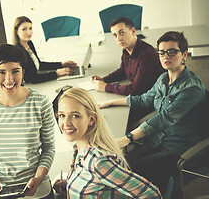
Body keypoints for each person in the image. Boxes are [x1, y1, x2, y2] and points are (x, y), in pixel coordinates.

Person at [99, 31, 206, 192]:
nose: (165, 56)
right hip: (158, 140)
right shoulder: (163, 78)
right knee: (121, 162)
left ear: (184, 54)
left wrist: (128, 138)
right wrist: (110, 102)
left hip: (178, 150)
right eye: (162, 52)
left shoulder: (192, 88)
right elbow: (144, 99)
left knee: (126, 171)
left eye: (171, 51)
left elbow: (163, 119)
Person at [0, 44, 56, 199]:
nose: (9, 79)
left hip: (36, 186)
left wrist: (38, 179)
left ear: (23, 71)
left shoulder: (41, 102)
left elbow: (49, 148)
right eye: (1, 72)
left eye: (15, 71)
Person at [53, 88, 162, 198]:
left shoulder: (98, 162)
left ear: (91, 119)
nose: (66, 123)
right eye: (62, 115)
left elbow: (152, 194)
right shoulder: (78, 148)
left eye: (75, 115)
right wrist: (71, 185)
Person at [90, 17, 165, 96]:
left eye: (122, 33)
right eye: (115, 35)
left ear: (133, 31)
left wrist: (106, 87)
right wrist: (104, 80)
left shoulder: (147, 55)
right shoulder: (126, 49)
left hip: (153, 98)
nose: (119, 38)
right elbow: (123, 71)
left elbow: (135, 90)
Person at [12, 16, 77, 83]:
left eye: (30, 28)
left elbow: (39, 65)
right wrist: (57, 73)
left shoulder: (29, 43)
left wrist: (61, 64)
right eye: (24, 29)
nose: (29, 32)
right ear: (17, 31)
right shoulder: (18, 51)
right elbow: (32, 78)